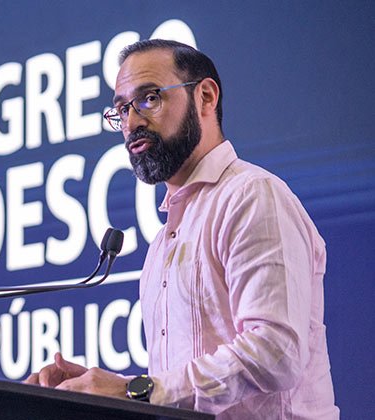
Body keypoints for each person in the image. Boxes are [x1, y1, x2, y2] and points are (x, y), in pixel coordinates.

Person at [25, 39, 339, 419]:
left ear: (205, 97)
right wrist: (100, 390)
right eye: (122, 109)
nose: (132, 122)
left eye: (149, 98)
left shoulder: (252, 197)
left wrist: (131, 390)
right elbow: (178, 391)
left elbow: (275, 353)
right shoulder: (163, 243)